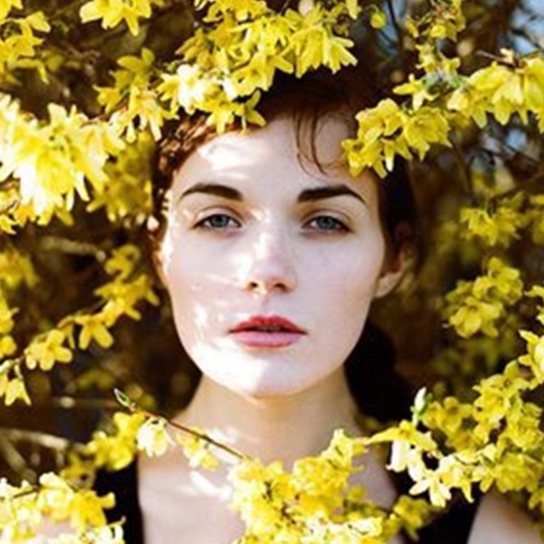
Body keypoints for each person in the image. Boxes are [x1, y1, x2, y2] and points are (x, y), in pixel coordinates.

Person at [94, 69, 542, 544]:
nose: (267, 270)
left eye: (326, 222)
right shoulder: (60, 530)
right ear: (159, 251)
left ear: (394, 261)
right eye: (218, 219)